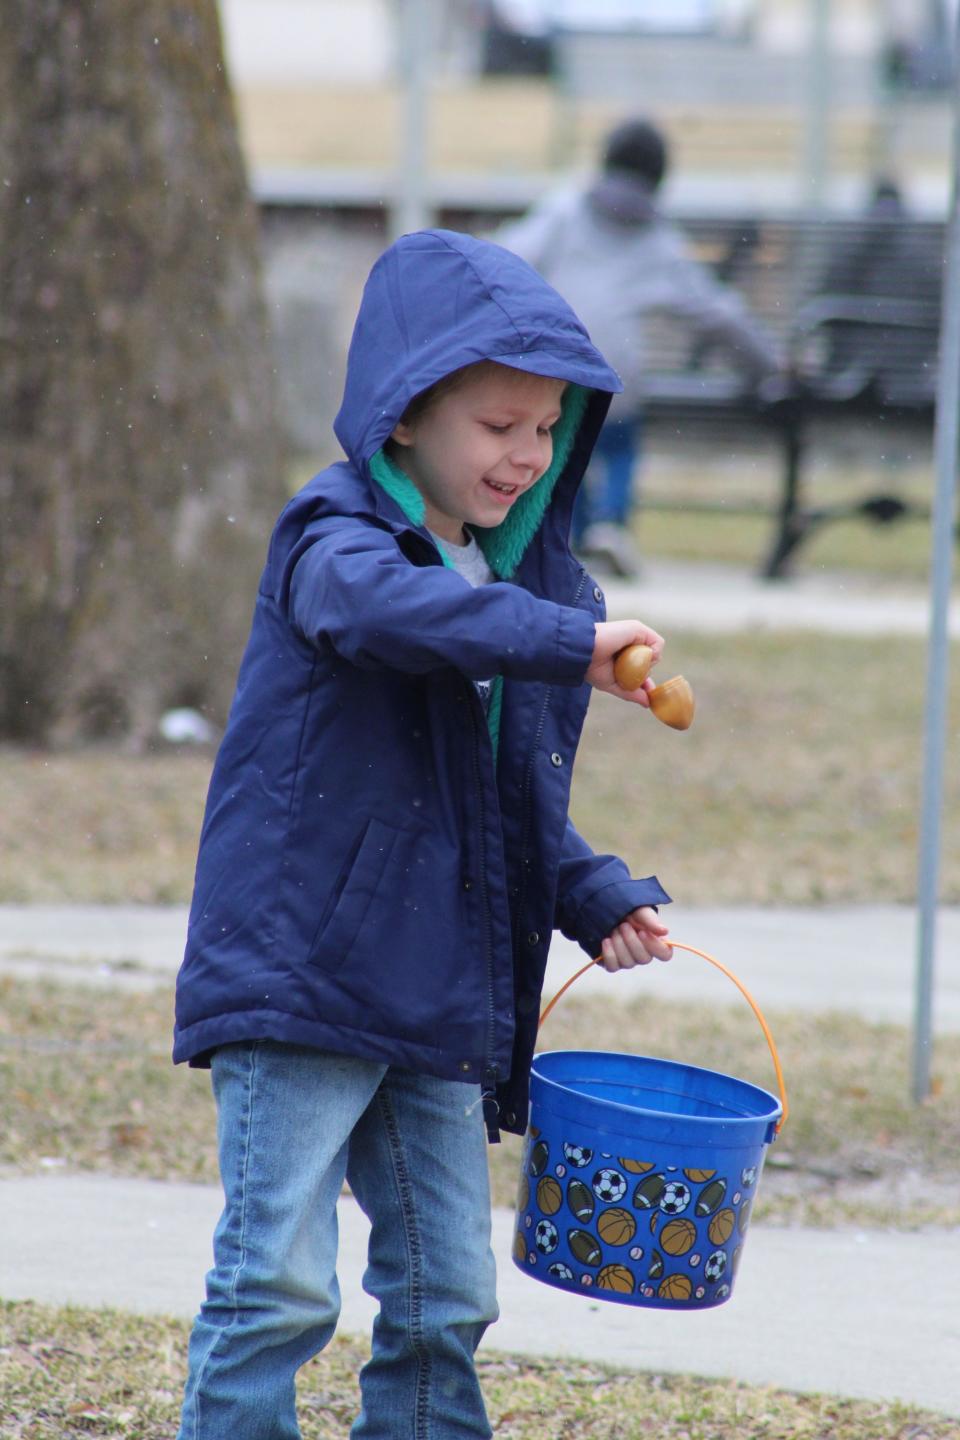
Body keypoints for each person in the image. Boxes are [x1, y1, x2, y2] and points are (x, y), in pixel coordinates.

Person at [172, 227, 674, 1440]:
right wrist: (560, 641)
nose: (528, 454)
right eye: (498, 425)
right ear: (405, 417)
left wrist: (592, 891)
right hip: (305, 979)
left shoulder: (515, 582)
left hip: (431, 992)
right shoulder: (335, 539)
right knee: (277, 1288)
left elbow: (493, 798)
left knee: (449, 1295)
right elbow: (386, 615)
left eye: (547, 427)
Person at [496, 116, 782, 577]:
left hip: (554, 370)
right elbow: (720, 314)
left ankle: (580, 531)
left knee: (564, 445)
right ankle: (611, 524)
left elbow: (507, 256)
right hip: (616, 378)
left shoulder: (565, 213)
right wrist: (770, 364)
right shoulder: (657, 240)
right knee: (618, 444)